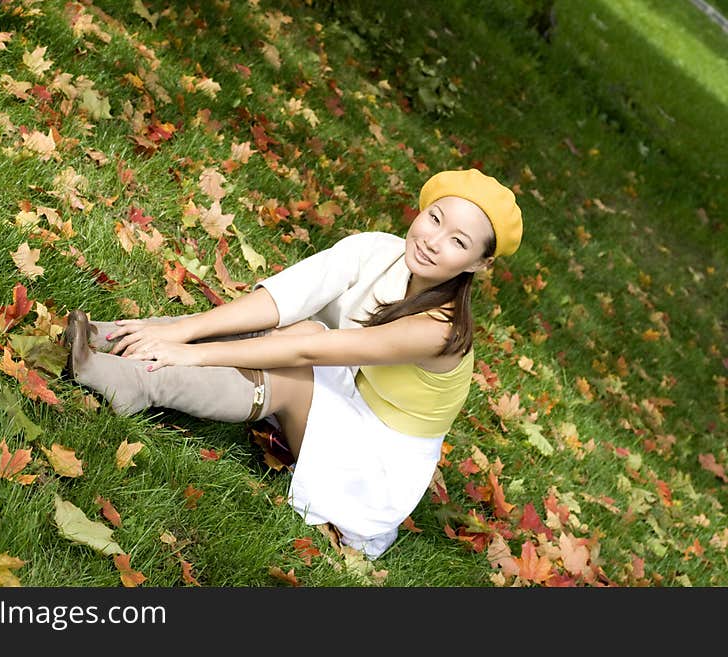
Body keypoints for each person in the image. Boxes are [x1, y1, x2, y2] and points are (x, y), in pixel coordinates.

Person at [65, 168, 523, 559]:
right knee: (297, 326)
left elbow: (308, 356)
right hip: (351, 400)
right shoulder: (380, 251)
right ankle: (119, 335)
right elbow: (285, 298)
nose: (433, 241)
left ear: (478, 264)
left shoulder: (440, 331)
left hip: (375, 469)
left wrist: (194, 351)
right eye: (435, 218)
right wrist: (182, 330)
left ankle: (138, 383)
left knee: (297, 367)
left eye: (457, 241)